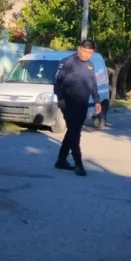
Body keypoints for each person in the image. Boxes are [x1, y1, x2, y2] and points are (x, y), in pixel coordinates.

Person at [52, 39, 102, 176]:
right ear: (79, 48)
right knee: (75, 133)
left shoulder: (90, 66)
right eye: (85, 51)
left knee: (72, 132)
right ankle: (79, 164)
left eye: (90, 53)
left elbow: (93, 85)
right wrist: (61, 100)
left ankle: (61, 161)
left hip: (82, 104)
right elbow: (57, 83)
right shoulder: (68, 62)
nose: (86, 55)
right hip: (68, 103)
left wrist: (97, 101)